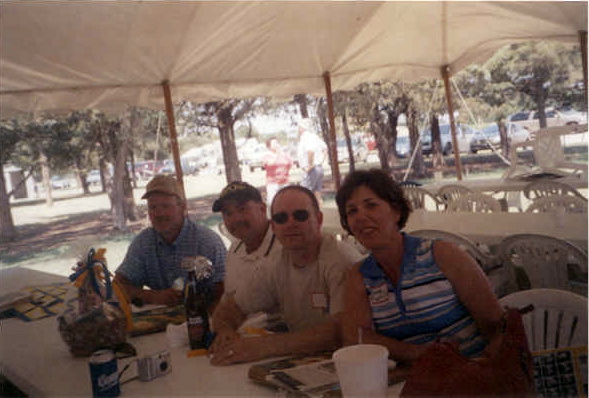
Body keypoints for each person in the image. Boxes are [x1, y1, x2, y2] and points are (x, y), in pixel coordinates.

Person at [335, 169, 503, 364]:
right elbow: (358, 336)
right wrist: (416, 353)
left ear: (396, 211)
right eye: (352, 211)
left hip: (470, 370)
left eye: (371, 205)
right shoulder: (360, 276)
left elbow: (495, 324)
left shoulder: (442, 255)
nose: (361, 216)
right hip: (414, 380)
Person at [209, 185, 364, 366]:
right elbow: (231, 308)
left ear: (319, 219)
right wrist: (225, 331)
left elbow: (341, 331)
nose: (291, 223)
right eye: (281, 218)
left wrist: (262, 347)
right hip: (309, 364)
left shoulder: (339, 260)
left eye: (300, 215)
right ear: (273, 227)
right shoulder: (275, 263)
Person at [114, 174, 226, 307]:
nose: (159, 214)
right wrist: (153, 296)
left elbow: (226, 289)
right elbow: (118, 286)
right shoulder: (143, 243)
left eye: (166, 206)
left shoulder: (207, 241)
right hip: (160, 323)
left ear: (182, 208)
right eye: (153, 207)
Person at [212, 181, 281, 299]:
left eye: (242, 209)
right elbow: (229, 297)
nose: (236, 219)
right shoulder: (234, 250)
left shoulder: (284, 247)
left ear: (262, 209)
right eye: (228, 213)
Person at [297, 118, 327, 205]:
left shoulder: (306, 137)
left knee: (304, 193)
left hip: (312, 169)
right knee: (317, 192)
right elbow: (325, 148)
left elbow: (310, 151)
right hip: (318, 167)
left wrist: (310, 165)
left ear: (302, 128)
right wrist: (321, 161)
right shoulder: (315, 136)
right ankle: (320, 211)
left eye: (299, 127)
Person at [262, 137, 293, 207]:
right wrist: (278, 154)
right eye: (274, 143)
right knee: (272, 202)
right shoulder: (266, 156)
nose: (276, 145)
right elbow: (270, 164)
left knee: (286, 202)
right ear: (269, 146)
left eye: (277, 143)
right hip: (273, 184)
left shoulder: (284, 154)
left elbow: (290, 164)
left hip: (285, 182)